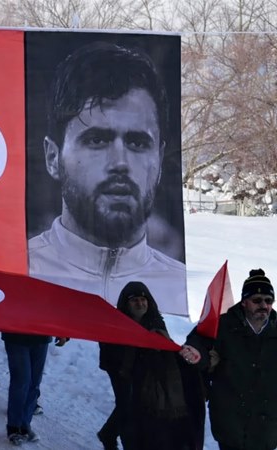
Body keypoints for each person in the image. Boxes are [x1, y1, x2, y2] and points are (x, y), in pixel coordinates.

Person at [27, 41, 185, 311]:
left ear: (159, 159)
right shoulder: (20, 275)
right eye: (97, 140)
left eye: (137, 143)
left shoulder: (181, 289)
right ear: (53, 157)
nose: (120, 163)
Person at [98, 281, 205, 450]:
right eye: (135, 300)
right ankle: (114, 436)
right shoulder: (116, 323)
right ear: (126, 303)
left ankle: (110, 433)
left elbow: (166, 346)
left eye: (143, 299)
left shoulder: (155, 321)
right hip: (121, 372)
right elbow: (108, 349)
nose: (140, 304)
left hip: (144, 372)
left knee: (134, 407)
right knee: (126, 405)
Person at [182, 269, 277, 450]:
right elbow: (197, 343)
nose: (263, 305)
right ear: (244, 302)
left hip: (267, 424)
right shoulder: (222, 325)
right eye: (257, 300)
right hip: (230, 421)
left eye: (268, 300)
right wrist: (201, 358)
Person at [3, 332, 68, 446]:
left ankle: (24, 425)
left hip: (41, 336)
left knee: (34, 383)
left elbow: (58, 313)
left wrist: (62, 332)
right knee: (21, 381)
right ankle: (14, 427)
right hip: (16, 335)